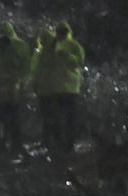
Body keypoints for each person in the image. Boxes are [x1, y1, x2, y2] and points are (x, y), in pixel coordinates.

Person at [0, 22, 30, 157]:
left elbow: (22, 69)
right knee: (4, 119)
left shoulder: (12, 51)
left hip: (11, 90)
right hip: (4, 90)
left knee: (11, 119)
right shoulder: (1, 52)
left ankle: (14, 145)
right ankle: (5, 145)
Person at [30, 29, 63, 153]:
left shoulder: (54, 54)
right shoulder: (39, 54)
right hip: (44, 91)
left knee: (53, 116)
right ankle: (48, 140)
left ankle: (55, 140)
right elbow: (35, 72)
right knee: (46, 116)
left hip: (52, 91)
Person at [53, 21, 84, 152]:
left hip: (71, 87)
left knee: (70, 117)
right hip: (58, 87)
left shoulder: (74, 45)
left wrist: (68, 57)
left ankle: (69, 144)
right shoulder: (54, 45)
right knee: (59, 117)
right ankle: (60, 143)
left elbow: (79, 62)